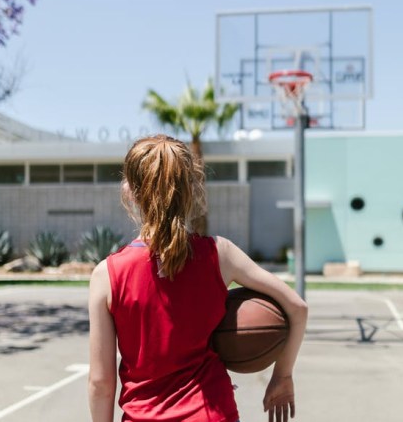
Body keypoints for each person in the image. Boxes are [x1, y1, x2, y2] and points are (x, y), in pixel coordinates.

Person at [88, 134, 308, 422]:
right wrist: (283, 376)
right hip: (212, 413)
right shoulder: (220, 254)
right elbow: (298, 308)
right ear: (191, 189)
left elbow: (101, 383)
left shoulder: (107, 274)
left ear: (130, 191)